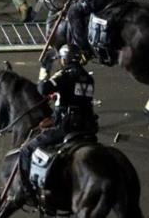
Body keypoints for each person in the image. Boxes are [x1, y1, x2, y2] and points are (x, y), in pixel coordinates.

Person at [19, 44, 96, 203]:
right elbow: (77, 97)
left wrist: (44, 69)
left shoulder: (64, 74)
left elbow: (42, 89)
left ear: (65, 59)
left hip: (66, 125)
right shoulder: (88, 77)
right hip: (86, 125)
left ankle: (28, 192)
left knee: (26, 150)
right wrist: (59, 95)